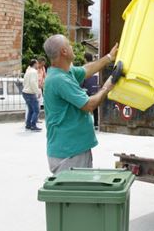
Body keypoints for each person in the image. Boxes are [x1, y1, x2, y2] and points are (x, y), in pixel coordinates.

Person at [42, 34, 118, 175]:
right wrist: (108, 86)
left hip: (73, 149)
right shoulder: (59, 80)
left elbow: (87, 70)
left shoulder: (65, 72)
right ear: (64, 51)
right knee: (74, 195)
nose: (72, 47)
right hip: (69, 153)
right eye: (69, 45)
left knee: (79, 193)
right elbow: (89, 105)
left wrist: (109, 57)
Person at [81, 52, 100, 130]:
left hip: (87, 91)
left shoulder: (84, 67)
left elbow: (82, 81)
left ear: (85, 59)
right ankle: (96, 123)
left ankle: (85, 123)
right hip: (96, 89)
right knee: (95, 107)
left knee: (84, 107)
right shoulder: (96, 66)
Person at [22, 59, 42, 131]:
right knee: (36, 110)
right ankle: (33, 126)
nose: (38, 65)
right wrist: (37, 91)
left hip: (25, 92)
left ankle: (28, 125)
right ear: (34, 64)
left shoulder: (28, 71)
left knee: (30, 110)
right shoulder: (34, 72)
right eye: (37, 64)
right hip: (30, 93)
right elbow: (33, 82)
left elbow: (24, 82)